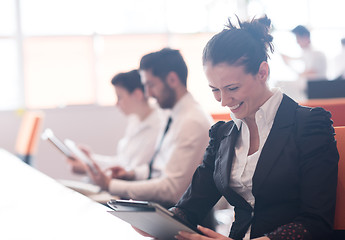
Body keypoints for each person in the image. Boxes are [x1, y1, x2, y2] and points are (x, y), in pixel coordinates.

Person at [167, 16, 338, 240]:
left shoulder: (309, 125)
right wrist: (157, 221)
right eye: (215, 90)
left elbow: (316, 222)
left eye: (232, 88)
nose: (224, 101)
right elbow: (190, 207)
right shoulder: (222, 135)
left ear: (262, 72)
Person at [86, 48, 213, 207]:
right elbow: (160, 169)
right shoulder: (172, 114)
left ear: (172, 79)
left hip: (182, 214)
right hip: (165, 206)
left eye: (151, 85)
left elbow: (172, 189)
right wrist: (131, 174)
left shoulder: (192, 121)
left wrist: (111, 185)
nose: (148, 94)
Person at [67, 69, 164, 180]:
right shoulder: (135, 120)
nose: (116, 103)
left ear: (137, 95)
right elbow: (121, 161)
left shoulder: (157, 127)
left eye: (120, 97)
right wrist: (91, 159)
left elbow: (129, 172)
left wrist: (87, 169)